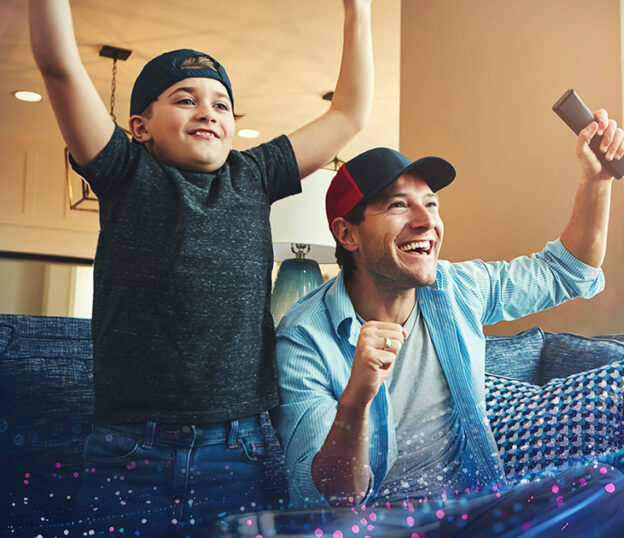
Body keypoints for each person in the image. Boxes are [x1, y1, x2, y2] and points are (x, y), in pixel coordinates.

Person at [28, 0, 372, 532]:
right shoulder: (123, 169)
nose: (208, 111)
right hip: (129, 449)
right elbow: (58, 66)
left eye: (222, 104)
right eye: (185, 100)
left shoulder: (254, 174)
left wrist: (360, 11)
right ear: (139, 126)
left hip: (239, 448)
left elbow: (348, 114)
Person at [273, 110, 624, 535]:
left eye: (431, 204)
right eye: (397, 205)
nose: (426, 221)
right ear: (347, 234)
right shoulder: (303, 336)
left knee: (607, 488)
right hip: (376, 527)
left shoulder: (455, 287)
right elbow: (332, 499)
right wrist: (355, 402)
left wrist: (596, 181)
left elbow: (566, 271)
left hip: (475, 512)